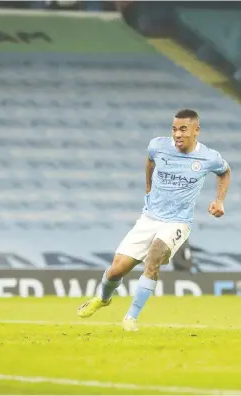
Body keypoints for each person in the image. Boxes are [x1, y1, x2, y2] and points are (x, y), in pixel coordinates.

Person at [76, 109, 231, 331]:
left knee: (154, 257)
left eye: (183, 129)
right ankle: (103, 298)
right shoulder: (158, 146)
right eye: (174, 129)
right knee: (116, 270)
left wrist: (219, 201)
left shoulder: (209, 157)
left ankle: (131, 317)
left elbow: (225, 171)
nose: (177, 134)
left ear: (196, 131)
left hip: (178, 221)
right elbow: (150, 161)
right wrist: (148, 188)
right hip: (149, 218)